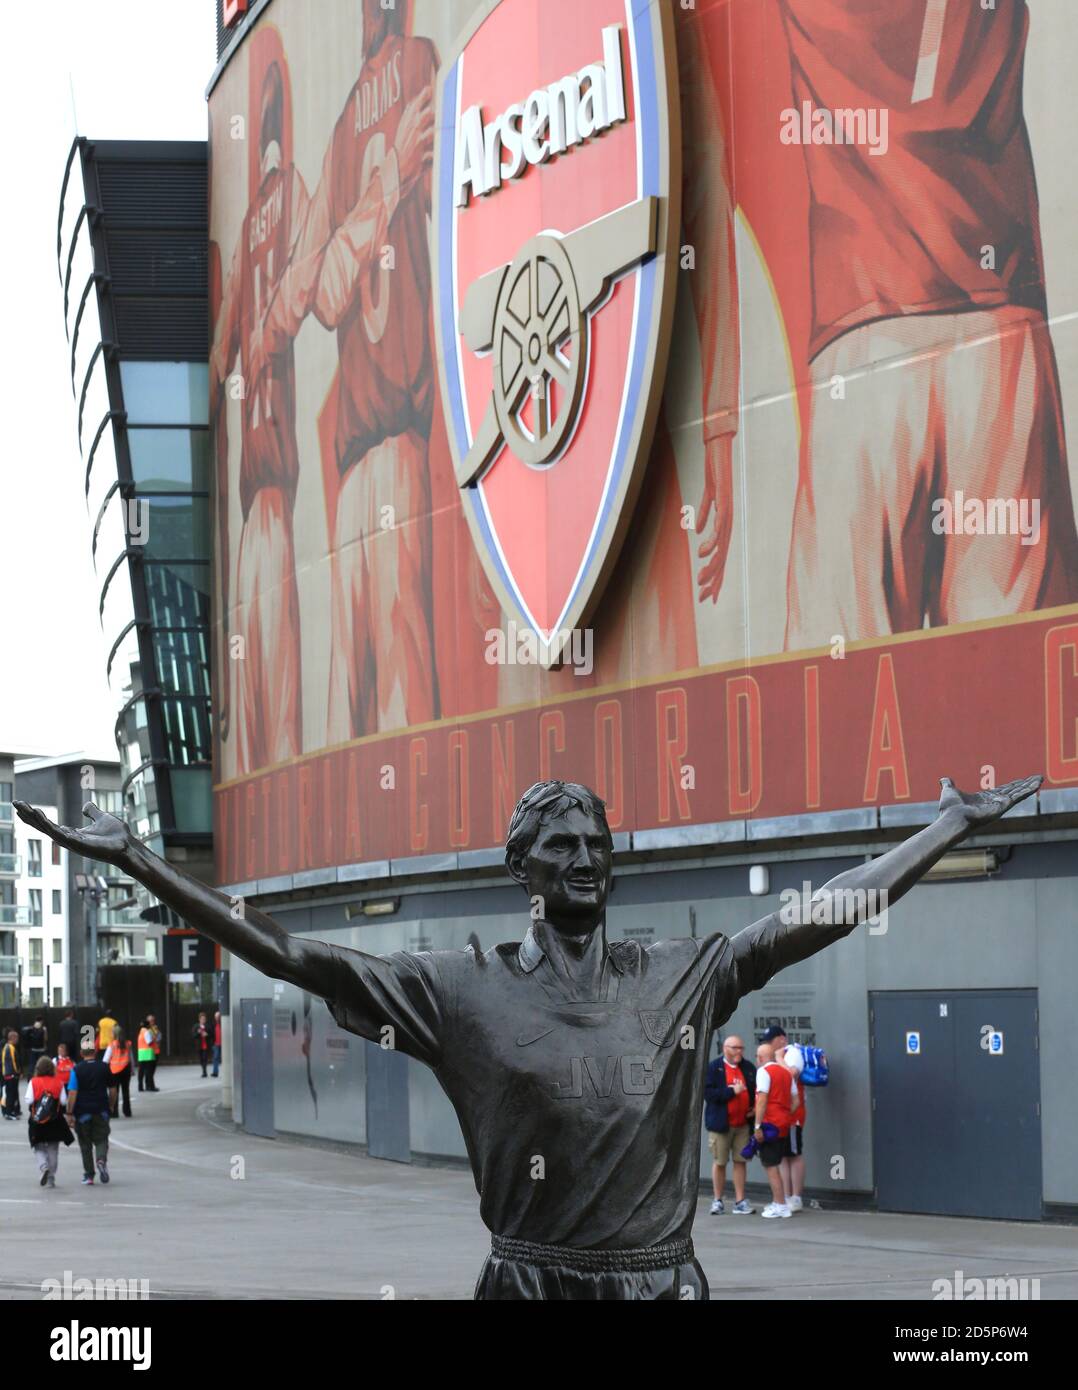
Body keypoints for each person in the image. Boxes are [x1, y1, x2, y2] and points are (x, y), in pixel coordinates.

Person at [14, 772, 1039, 1300]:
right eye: (561, 844)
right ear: (524, 867)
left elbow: (820, 911)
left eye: (597, 843)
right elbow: (296, 955)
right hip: (530, 1280)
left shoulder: (681, 972)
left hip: (656, 1281)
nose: (584, 857)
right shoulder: (461, 991)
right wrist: (143, 859)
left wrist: (945, 828)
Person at [704, 1035, 756, 1215]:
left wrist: (754, 1108)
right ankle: (717, 1200)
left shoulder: (748, 1067)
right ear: (725, 1048)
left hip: (742, 1124)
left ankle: (740, 1201)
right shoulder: (714, 1067)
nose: (739, 1052)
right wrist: (731, 1091)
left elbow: (757, 1090)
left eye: (741, 1048)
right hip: (721, 1124)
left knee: (740, 1161)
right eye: (735, 1048)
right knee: (720, 1162)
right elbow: (709, 1094)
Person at [753, 1043, 797, 1219]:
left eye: (758, 1056)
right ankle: (779, 1201)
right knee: (776, 1163)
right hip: (783, 1124)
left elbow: (762, 1100)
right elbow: (796, 1101)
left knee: (770, 1166)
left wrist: (757, 1126)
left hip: (769, 1124)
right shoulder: (786, 1073)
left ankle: (780, 1205)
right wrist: (785, 1115)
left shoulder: (763, 1072)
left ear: (762, 1058)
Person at [66, 1042, 112, 1186]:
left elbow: (73, 1092)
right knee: (101, 1138)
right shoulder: (104, 1067)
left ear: (81, 1053)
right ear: (96, 1051)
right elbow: (114, 1089)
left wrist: (69, 1112)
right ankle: (101, 1159)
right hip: (101, 1109)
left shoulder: (76, 1070)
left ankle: (89, 1175)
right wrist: (110, 1106)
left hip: (82, 1112)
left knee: (85, 1144)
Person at [26, 1055, 73, 1187]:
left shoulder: (33, 1082)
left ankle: (43, 1167)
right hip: (54, 1121)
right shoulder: (58, 1082)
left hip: (38, 1120)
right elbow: (64, 1101)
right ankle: (51, 1177)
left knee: (38, 1146)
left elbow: (28, 1100)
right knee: (53, 1149)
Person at [778, 1040, 807, 1213]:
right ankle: (786, 1196)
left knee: (794, 1154)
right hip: (781, 1116)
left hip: (793, 1116)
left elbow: (790, 1074)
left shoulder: (793, 1054)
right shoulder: (783, 1056)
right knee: (782, 1156)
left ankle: (795, 1197)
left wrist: (778, 1057)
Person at [104, 1026, 133, 1118]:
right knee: (126, 1091)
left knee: (114, 1092)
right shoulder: (128, 1043)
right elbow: (131, 1058)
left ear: (114, 1034)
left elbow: (105, 1060)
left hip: (114, 1071)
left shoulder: (112, 1045)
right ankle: (127, 1112)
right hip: (126, 1070)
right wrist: (132, 1069)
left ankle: (114, 1112)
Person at [2, 1028, 22, 1120]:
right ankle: (9, 1112)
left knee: (10, 1093)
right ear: (12, 1038)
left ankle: (9, 1111)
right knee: (11, 1094)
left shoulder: (6, 1046)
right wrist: (17, 1071)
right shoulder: (10, 1047)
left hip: (7, 1074)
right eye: (16, 1038)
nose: (17, 1040)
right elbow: (14, 1062)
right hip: (11, 1075)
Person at [136, 1018, 157, 1092]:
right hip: (148, 1054)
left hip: (141, 1054)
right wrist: (154, 1040)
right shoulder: (146, 1032)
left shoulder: (140, 1032)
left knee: (141, 1071)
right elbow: (149, 1042)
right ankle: (151, 1086)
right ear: (147, 1025)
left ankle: (140, 1087)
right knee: (149, 1072)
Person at [193, 1012, 212, 1077]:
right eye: (202, 1019)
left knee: (205, 1058)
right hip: (199, 1045)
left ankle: (204, 1072)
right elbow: (194, 1036)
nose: (203, 1020)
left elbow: (212, 1035)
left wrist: (207, 1035)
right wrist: (198, 1033)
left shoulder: (208, 1026)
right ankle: (203, 1070)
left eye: (204, 1019)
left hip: (206, 1045)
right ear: (199, 1019)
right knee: (201, 1059)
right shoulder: (196, 1026)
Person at [212, 1009, 222, 1078]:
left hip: (224, 1044)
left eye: (218, 1016)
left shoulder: (224, 1023)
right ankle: (215, 1072)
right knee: (215, 1058)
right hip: (216, 1044)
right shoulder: (213, 1025)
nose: (217, 1018)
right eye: (216, 1017)